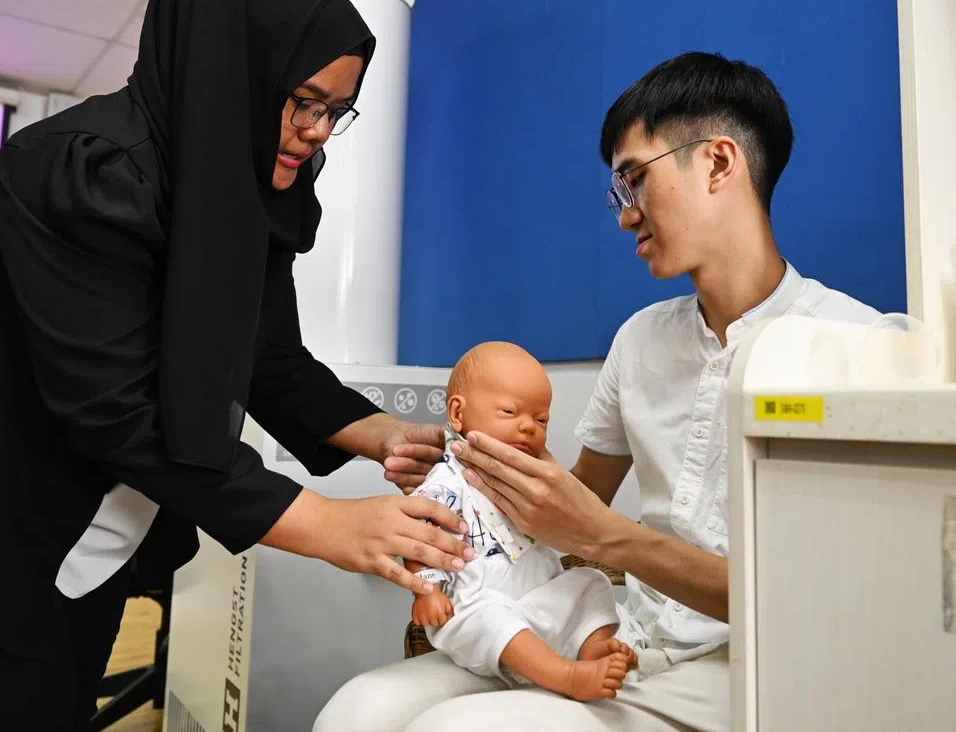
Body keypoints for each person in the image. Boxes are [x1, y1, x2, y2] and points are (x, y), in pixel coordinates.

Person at [0, 0, 474, 728]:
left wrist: (379, 433)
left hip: (80, 529)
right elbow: (115, 413)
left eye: (336, 111)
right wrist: (330, 525)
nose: (319, 131)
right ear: (235, 76)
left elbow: (263, 353)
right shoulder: (83, 170)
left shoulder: (246, 188)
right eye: (304, 103)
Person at [313, 52, 882, 732]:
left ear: (719, 163)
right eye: (617, 194)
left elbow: (813, 599)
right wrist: (469, 488)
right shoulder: (641, 341)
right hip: (623, 639)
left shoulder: (855, 347)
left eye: (635, 180)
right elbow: (574, 508)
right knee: (357, 713)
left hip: (753, 666)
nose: (624, 217)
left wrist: (609, 540)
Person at [404, 341, 635, 702]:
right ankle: (567, 676)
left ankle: (594, 648)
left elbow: (565, 529)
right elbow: (419, 533)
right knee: (492, 617)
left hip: (534, 601)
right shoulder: (448, 480)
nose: (528, 426)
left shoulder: (532, 480)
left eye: (541, 419)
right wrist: (427, 590)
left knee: (591, 581)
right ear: (458, 412)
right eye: (510, 411)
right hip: (474, 607)